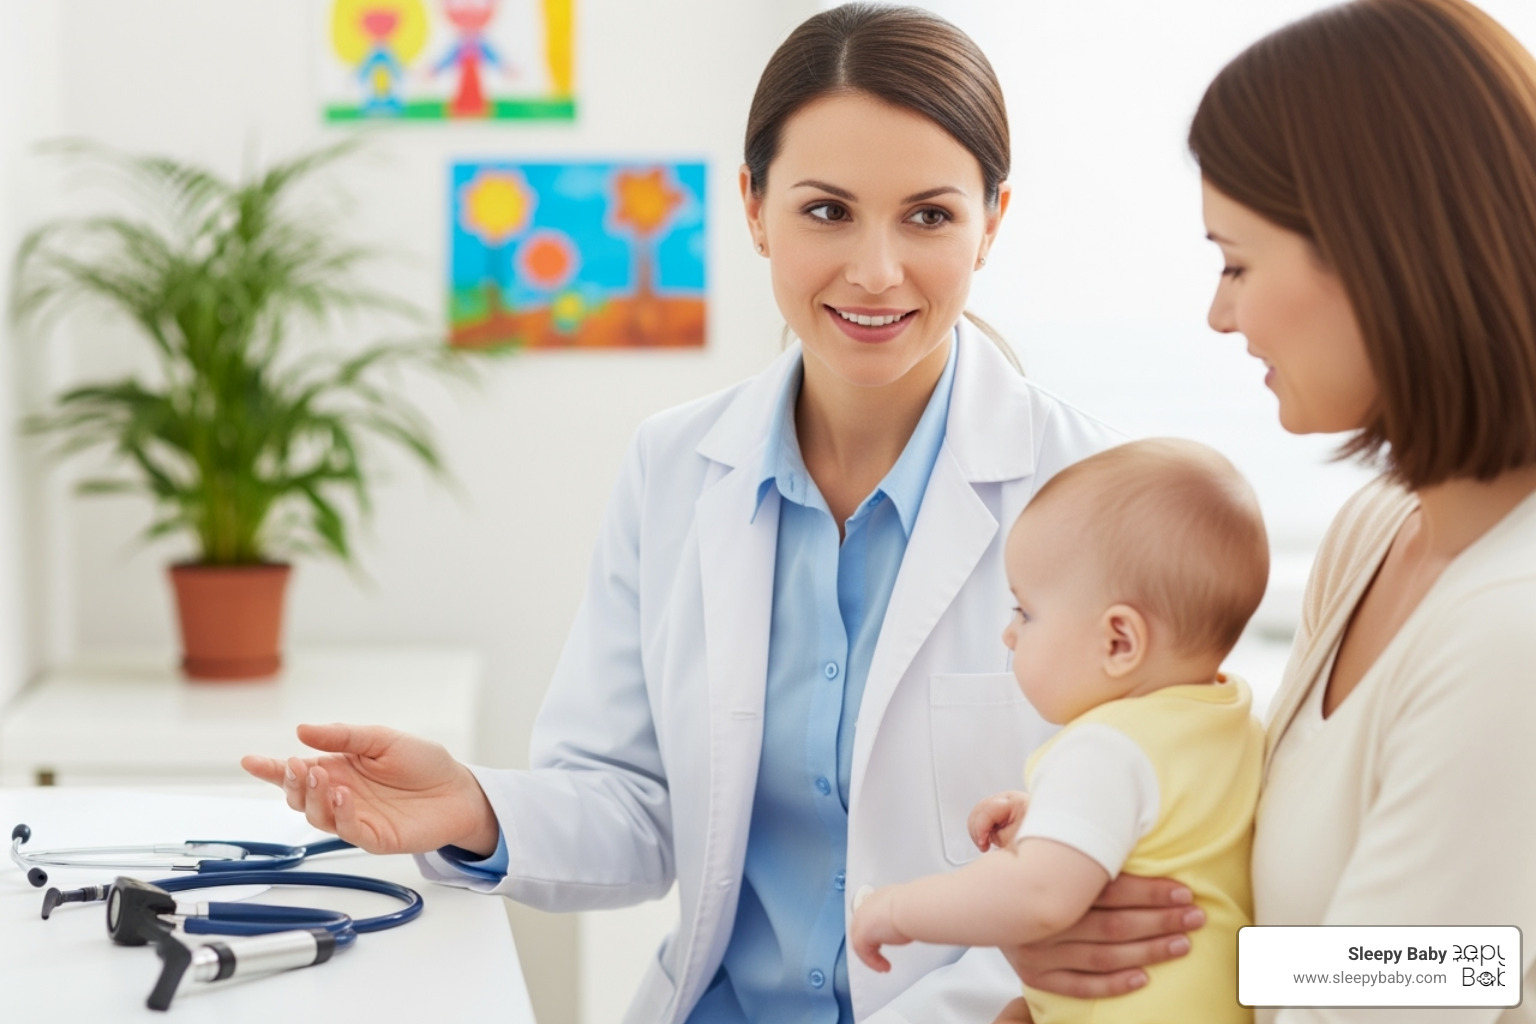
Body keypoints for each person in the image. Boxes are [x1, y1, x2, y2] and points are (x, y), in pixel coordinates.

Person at [241, 5, 1137, 1021]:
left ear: (994, 220)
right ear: (754, 207)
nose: (877, 269)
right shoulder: (673, 467)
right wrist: (477, 807)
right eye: (827, 211)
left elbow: (1121, 873)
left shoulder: (1093, 490)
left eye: (929, 215)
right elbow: (633, 808)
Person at [998, 1, 1536, 1020]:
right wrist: (1108, 904)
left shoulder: (1511, 631)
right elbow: (1400, 956)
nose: (1219, 311)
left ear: (1384, 252)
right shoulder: (1379, 532)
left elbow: (1424, 984)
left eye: (1237, 262)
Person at [849, 438, 1267, 1024]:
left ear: (1119, 642)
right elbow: (1169, 836)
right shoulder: (1232, 722)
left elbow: (1038, 896)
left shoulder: (1102, 748)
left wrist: (896, 910)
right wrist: (1050, 815)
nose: (1009, 634)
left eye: (1025, 612)